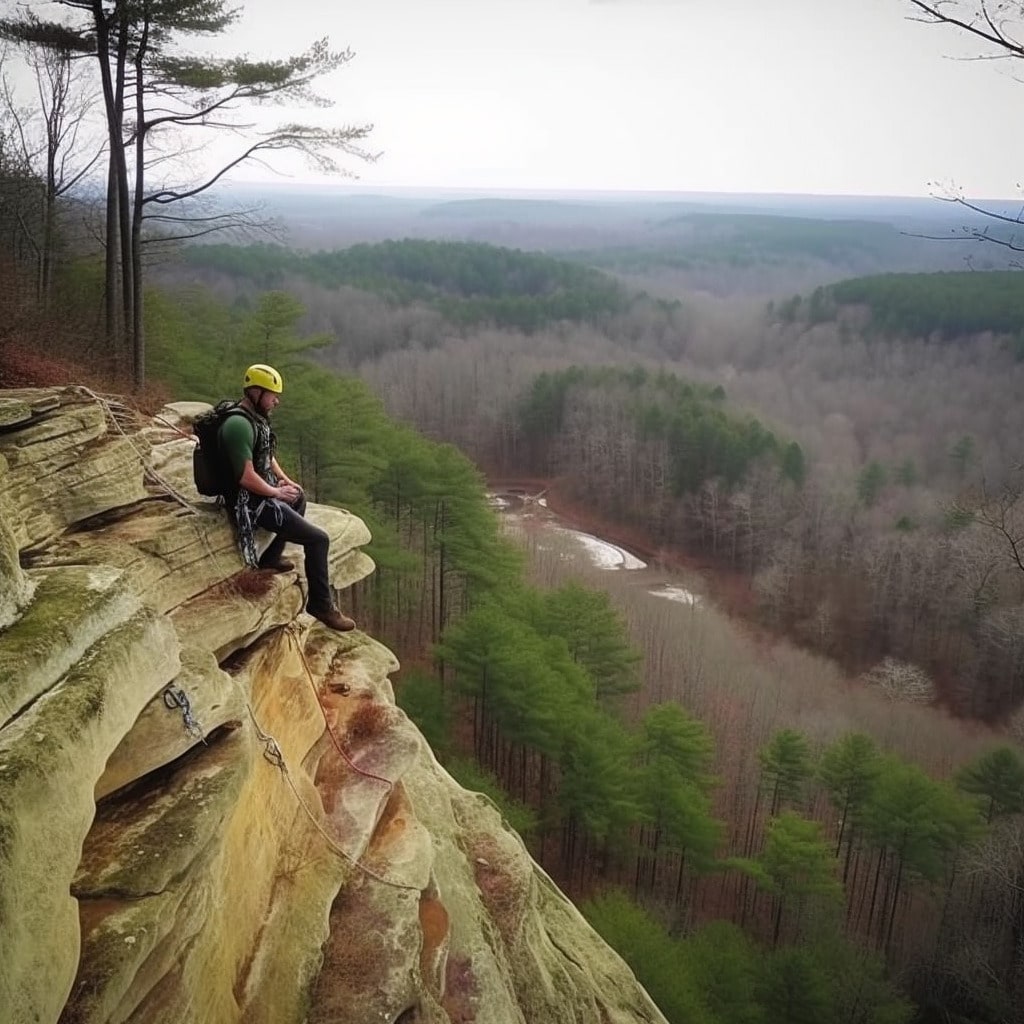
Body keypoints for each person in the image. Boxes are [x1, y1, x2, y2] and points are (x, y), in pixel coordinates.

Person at [218, 363, 356, 632]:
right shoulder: (238, 425)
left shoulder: (253, 419)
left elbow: (265, 456)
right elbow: (245, 476)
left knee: (298, 497)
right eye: (272, 394)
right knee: (319, 539)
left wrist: (286, 482)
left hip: (259, 494)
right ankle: (321, 604)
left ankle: (271, 557)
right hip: (248, 503)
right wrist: (275, 492)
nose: (276, 400)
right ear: (256, 392)